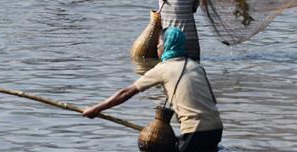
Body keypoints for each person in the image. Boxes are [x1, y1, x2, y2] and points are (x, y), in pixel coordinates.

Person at [83, 27, 223, 152]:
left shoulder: (162, 69)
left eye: (158, 44)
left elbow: (126, 93)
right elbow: (211, 101)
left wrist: (96, 109)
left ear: (166, 46)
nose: (157, 48)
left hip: (195, 131)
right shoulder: (196, 66)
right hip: (216, 129)